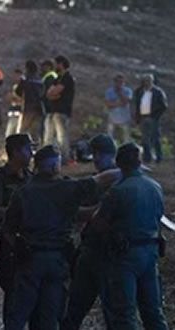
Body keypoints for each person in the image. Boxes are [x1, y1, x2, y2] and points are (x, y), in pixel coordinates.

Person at [2, 145, 119, 329]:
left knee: (18, 313)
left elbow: (8, 229)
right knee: (50, 313)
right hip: (57, 260)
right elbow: (101, 180)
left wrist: (18, 248)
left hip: (29, 259)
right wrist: (127, 170)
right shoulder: (67, 188)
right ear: (55, 166)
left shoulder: (23, 193)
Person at [94, 142, 169, 330]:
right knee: (153, 311)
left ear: (119, 163)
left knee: (125, 313)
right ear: (139, 162)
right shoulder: (155, 187)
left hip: (124, 256)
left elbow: (99, 223)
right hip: (151, 253)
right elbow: (159, 217)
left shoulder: (118, 190)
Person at [62, 134, 121, 330]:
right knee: (75, 309)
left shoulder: (118, 181)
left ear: (110, 155)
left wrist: (69, 210)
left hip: (107, 254)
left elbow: (96, 216)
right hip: (91, 251)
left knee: (111, 311)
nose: (95, 158)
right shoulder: (103, 180)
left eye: (99, 154)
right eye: (94, 153)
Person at [0, 134, 34, 321]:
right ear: (15, 152)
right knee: (13, 296)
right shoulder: (0, 179)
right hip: (11, 245)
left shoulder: (31, 178)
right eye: (27, 149)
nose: (31, 153)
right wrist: (17, 214)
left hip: (32, 244)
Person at [44, 55, 75, 164]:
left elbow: (56, 91)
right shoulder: (58, 78)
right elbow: (48, 93)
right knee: (49, 136)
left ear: (61, 64)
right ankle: (47, 157)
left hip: (62, 111)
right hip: (52, 111)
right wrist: (53, 95)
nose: (55, 66)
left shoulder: (67, 78)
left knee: (62, 136)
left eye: (57, 63)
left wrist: (54, 94)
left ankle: (64, 159)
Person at [134, 74, 167, 164]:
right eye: (145, 80)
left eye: (149, 80)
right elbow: (137, 105)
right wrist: (137, 117)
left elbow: (163, 106)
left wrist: (155, 115)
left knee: (155, 138)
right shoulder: (140, 91)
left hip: (153, 118)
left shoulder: (158, 92)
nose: (147, 82)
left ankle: (159, 156)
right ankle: (147, 157)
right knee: (145, 139)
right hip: (143, 117)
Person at [16, 60, 44, 143]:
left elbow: (18, 92)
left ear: (27, 68)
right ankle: (35, 149)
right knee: (35, 131)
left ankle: (19, 148)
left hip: (28, 108)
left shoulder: (25, 79)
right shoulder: (40, 79)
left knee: (22, 130)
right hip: (39, 108)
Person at [105, 73, 134, 144]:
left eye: (121, 82)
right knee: (110, 137)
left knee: (126, 138)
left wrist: (120, 93)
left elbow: (127, 101)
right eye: (117, 82)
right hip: (112, 117)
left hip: (125, 118)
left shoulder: (128, 91)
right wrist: (119, 103)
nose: (119, 84)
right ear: (114, 82)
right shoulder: (109, 91)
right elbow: (108, 104)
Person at [5, 68, 24, 138]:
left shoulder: (24, 86)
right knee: (9, 134)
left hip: (20, 113)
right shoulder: (14, 86)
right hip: (13, 112)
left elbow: (24, 100)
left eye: (17, 76)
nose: (15, 77)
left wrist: (16, 98)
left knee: (17, 134)